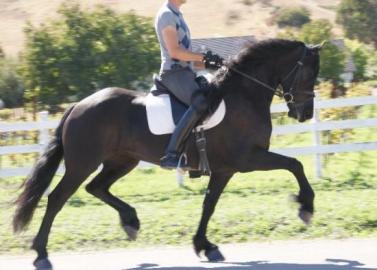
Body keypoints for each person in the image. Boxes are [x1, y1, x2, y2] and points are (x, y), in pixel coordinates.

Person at [155, 0, 223, 169]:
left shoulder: (177, 14)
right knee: (200, 103)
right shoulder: (167, 15)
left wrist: (208, 63)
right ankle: (171, 155)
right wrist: (203, 57)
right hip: (173, 73)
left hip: (186, 72)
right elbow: (175, 52)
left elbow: (186, 55)